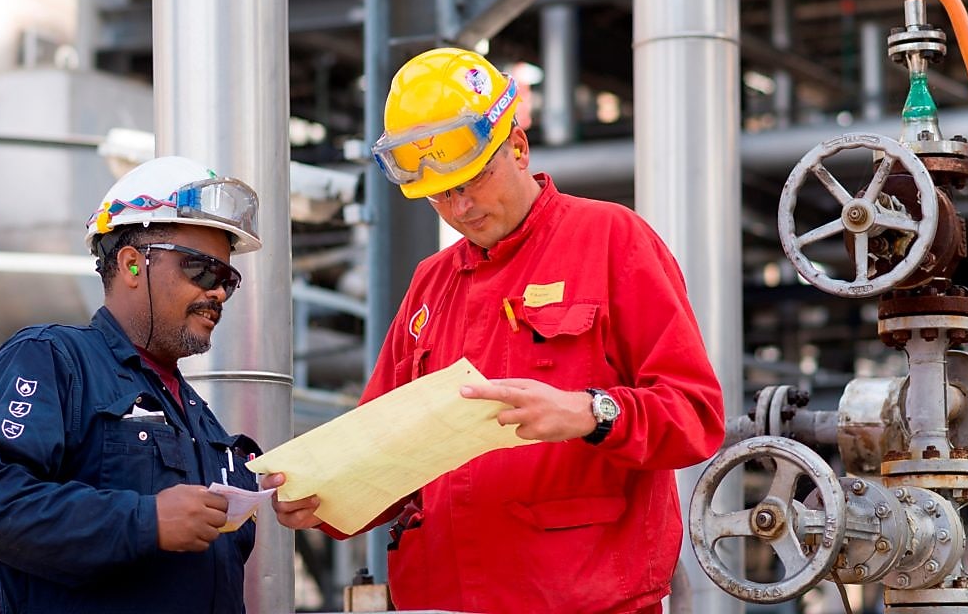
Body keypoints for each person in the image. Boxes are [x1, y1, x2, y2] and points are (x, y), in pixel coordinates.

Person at [266, 47, 725, 614]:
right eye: (440, 193)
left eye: (474, 179)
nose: (460, 207)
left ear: (518, 147)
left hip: (582, 603)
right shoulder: (431, 285)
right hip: (439, 601)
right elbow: (377, 450)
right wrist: (324, 498)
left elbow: (695, 416)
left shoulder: (612, 241)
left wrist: (589, 412)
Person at [0, 156, 264, 614]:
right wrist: (148, 520)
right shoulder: (52, 360)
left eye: (227, 279)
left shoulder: (205, 424)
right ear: (133, 264)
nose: (217, 292)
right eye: (200, 270)